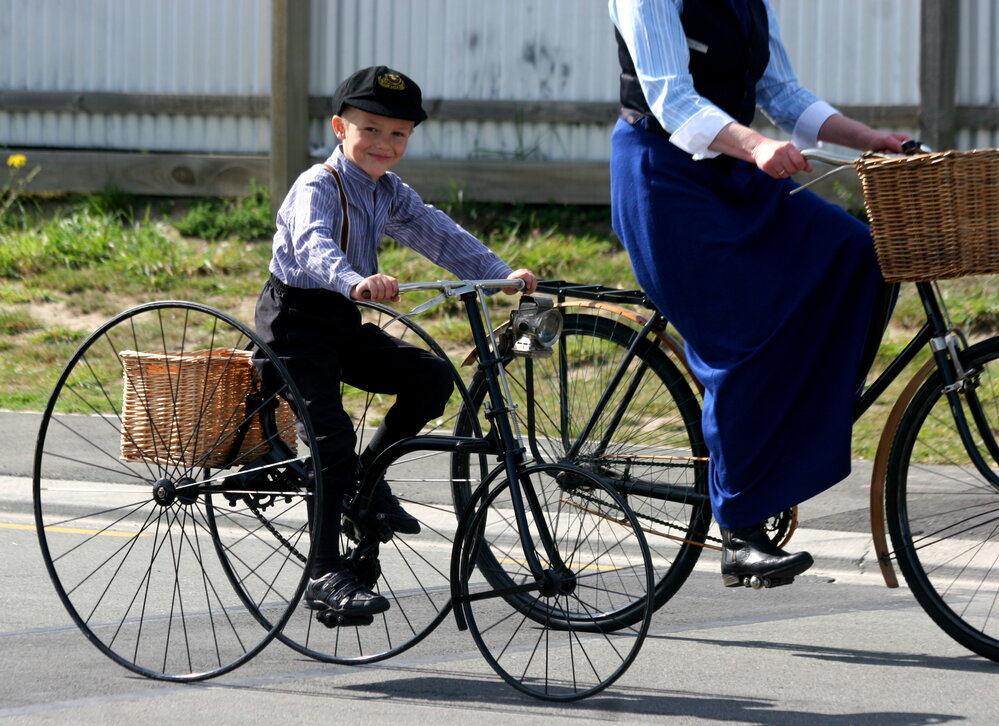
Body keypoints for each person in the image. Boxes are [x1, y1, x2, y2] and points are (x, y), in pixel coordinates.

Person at [608, 0, 909, 588]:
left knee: (861, 253)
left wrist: (866, 138)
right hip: (664, 181)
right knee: (743, 340)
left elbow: (784, 94)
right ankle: (740, 533)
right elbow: (671, 100)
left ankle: (799, 412)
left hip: (732, 173)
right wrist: (757, 148)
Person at [255, 65, 537, 620]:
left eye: (399, 134)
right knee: (330, 440)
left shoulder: (387, 190)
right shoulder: (318, 184)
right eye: (371, 130)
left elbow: (436, 231)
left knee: (431, 377)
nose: (384, 144)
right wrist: (354, 280)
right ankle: (323, 573)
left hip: (340, 322)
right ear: (340, 127)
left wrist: (499, 273)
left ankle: (367, 478)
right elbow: (311, 245)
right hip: (293, 327)